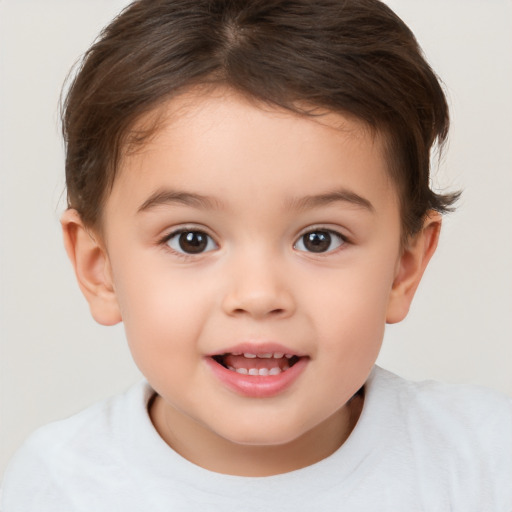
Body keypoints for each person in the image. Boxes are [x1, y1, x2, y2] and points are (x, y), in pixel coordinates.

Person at [1, 0, 511, 509]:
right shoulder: (55, 488)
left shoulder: (485, 463)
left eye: (319, 238)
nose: (259, 295)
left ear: (405, 266)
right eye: (191, 239)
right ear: (100, 269)